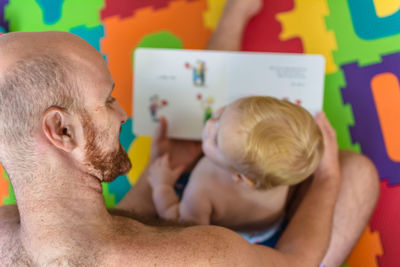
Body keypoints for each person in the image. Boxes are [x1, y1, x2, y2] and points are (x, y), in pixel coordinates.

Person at [0, 1, 378, 266]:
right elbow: (297, 260)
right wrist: (327, 178)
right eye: (108, 99)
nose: (124, 113)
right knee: (357, 172)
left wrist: (154, 177)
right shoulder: (206, 253)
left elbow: (112, 231)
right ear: (62, 130)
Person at [147, 96, 324, 247]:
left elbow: (181, 226)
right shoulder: (281, 168)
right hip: (270, 228)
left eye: (215, 140)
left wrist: (162, 187)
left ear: (240, 177)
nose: (209, 124)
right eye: (221, 114)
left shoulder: (202, 189)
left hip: (236, 243)